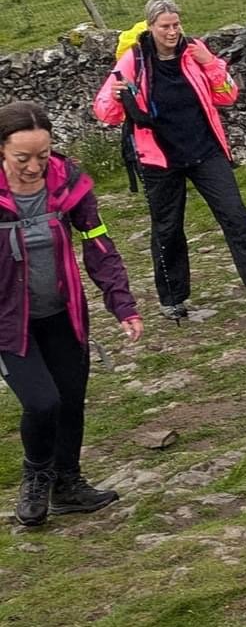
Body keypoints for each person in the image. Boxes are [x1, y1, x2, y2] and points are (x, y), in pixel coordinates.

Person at [93, 0, 246, 320]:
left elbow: (228, 95)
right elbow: (104, 112)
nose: (172, 32)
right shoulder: (133, 61)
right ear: (150, 27)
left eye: (176, 24)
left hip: (205, 151)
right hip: (158, 159)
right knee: (167, 228)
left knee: (236, 216)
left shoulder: (195, 51)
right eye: (165, 26)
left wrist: (211, 63)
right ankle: (172, 299)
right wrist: (117, 96)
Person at [0, 102, 142, 526]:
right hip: (8, 324)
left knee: (70, 401)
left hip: (63, 314)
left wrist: (122, 303)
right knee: (42, 403)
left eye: (42, 156)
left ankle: (67, 485)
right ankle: (36, 478)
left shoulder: (68, 181)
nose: (34, 167)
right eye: (22, 158)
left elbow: (98, 242)